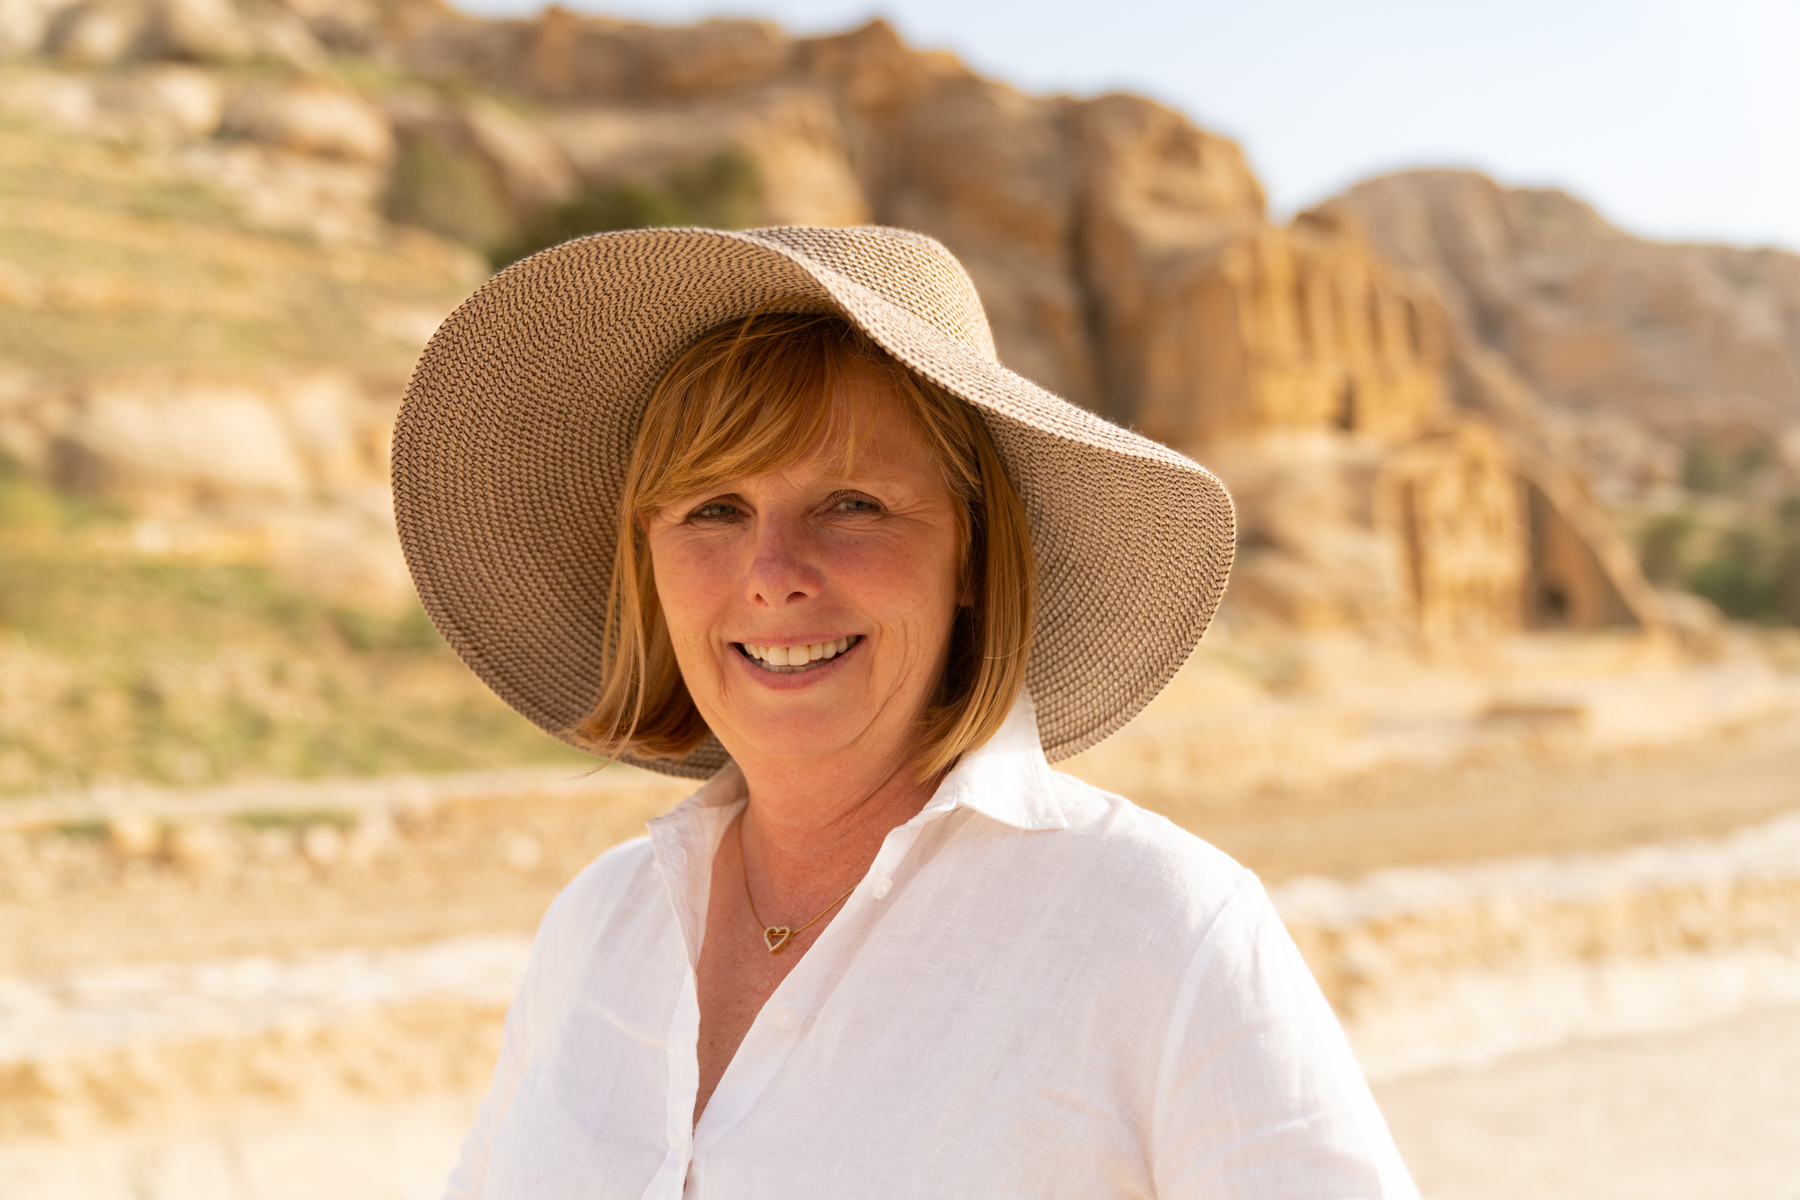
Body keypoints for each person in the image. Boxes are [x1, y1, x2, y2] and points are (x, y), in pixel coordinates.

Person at [393, 225, 1418, 1199]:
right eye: (715, 509)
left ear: (971, 553)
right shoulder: (595, 930)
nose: (774, 574)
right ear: (648, 562)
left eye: (852, 504)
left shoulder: (1159, 926)